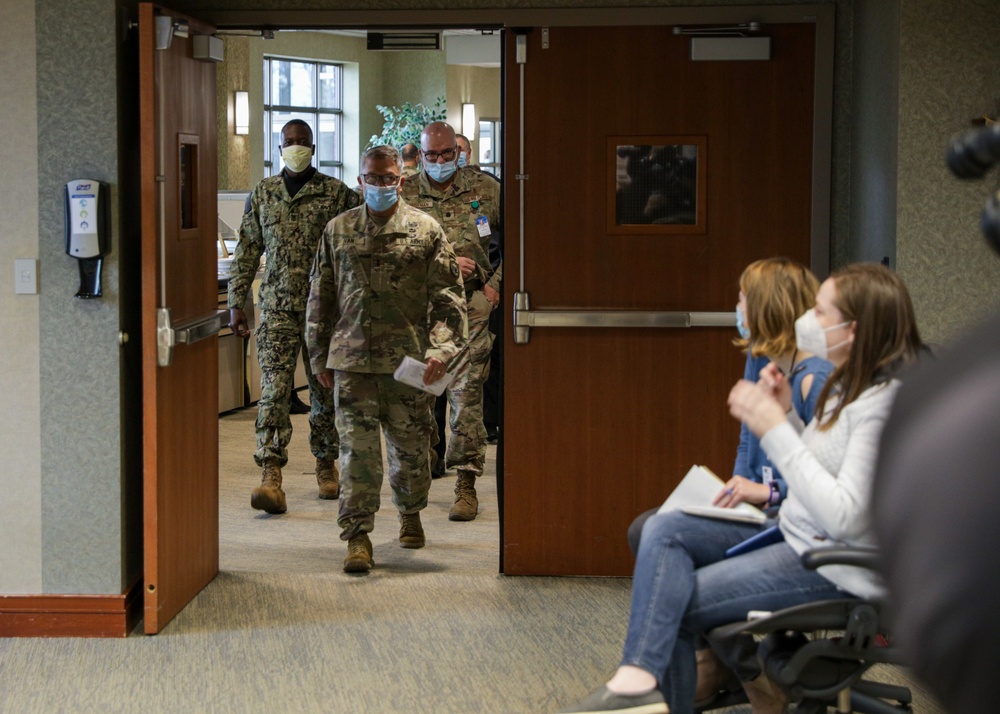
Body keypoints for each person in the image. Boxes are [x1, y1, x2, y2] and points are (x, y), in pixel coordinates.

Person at [557, 263, 922, 714]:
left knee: (677, 604)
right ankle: (640, 682)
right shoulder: (845, 387)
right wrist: (785, 414)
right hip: (796, 536)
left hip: (832, 564)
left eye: (822, 313)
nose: (809, 320)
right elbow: (814, 474)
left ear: (857, 329)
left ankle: (650, 687)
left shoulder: (881, 405)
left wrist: (777, 431)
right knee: (664, 529)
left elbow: (845, 515)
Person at [305, 145, 467, 573]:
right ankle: (357, 536)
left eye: (388, 178)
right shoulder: (337, 230)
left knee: (412, 451)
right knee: (356, 454)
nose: (380, 185)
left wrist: (442, 351)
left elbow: (448, 299)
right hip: (352, 362)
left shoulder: (425, 230)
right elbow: (320, 298)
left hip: (408, 364)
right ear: (360, 181)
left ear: (402, 179)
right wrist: (319, 356)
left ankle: (410, 512)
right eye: (372, 178)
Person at [229, 119, 361, 514]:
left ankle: (326, 464)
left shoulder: (337, 195)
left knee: (325, 393)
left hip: (325, 313)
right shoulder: (264, 193)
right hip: (276, 309)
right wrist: (237, 301)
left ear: (314, 147)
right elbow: (248, 249)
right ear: (279, 147)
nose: (296, 147)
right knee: (273, 392)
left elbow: (358, 245)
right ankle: (270, 473)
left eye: (302, 141)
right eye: (289, 142)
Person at [402, 121, 501, 521]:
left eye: (448, 154)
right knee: (417, 399)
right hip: (418, 313)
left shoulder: (486, 190)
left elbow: (518, 240)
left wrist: (495, 286)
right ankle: (421, 472)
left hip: (470, 310)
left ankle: (466, 484)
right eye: (432, 155)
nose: (441, 161)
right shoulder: (403, 193)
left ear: (459, 152)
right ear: (419, 154)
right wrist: (440, 264)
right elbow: (384, 253)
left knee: (466, 399)